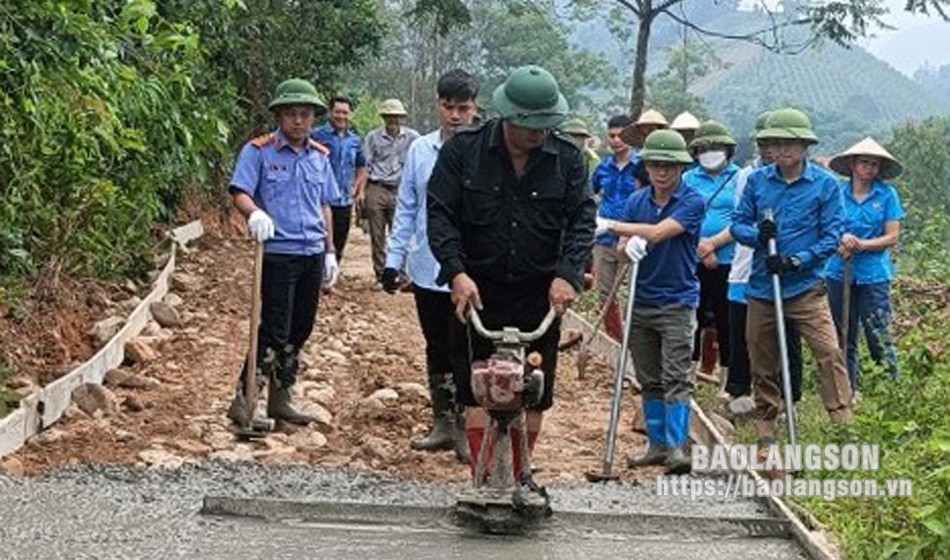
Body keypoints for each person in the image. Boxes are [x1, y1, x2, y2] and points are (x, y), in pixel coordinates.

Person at [427, 65, 596, 482]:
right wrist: (456, 273)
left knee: (534, 389)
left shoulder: (568, 160)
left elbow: (582, 221)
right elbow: (440, 214)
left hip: (539, 291)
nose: (538, 134)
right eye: (528, 126)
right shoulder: (463, 151)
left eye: (545, 126)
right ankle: (483, 477)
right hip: (477, 289)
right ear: (507, 117)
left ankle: (519, 472)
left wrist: (568, 274)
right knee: (476, 386)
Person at [731, 107, 853, 450]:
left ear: (805, 147)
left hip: (805, 288)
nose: (783, 150)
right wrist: (758, 233)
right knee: (761, 356)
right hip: (762, 287)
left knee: (828, 351)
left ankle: (841, 419)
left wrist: (798, 259)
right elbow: (738, 224)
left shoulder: (825, 185)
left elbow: (832, 234)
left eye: (790, 144)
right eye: (776, 143)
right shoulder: (758, 181)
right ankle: (766, 422)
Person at [226, 78, 341, 425]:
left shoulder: (320, 156)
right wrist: (254, 213)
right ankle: (246, 400)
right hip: (277, 252)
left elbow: (325, 205)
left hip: (311, 251)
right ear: (279, 115)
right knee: (274, 328)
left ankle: (282, 397)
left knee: (300, 328)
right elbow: (240, 191)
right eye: (291, 114)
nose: (298, 121)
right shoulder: (259, 151)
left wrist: (330, 251)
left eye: (305, 115)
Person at [381, 69, 480, 461]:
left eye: (463, 108)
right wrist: (394, 260)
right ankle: (442, 421)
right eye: (448, 107)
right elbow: (407, 206)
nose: (455, 115)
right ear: (438, 105)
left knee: (468, 347)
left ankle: (466, 426)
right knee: (436, 344)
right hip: (426, 266)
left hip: (470, 270)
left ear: (475, 108)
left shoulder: (484, 150)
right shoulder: (421, 149)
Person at [598, 129, 705, 475]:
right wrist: (625, 247)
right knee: (648, 377)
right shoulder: (637, 201)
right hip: (641, 301)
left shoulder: (691, 201)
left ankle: (677, 447)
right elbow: (622, 250)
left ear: (681, 169)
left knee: (676, 375)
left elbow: (659, 233)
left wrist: (613, 226)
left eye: (669, 166)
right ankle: (656, 444)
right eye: (656, 165)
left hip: (676, 301)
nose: (662, 172)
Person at [724, 112, 804, 415]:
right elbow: (738, 222)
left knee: (787, 332)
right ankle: (740, 390)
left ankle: (790, 396)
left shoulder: (796, 179)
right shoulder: (749, 176)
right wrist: (756, 235)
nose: (770, 149)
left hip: (784, 270)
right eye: (765, 143)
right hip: (747, 265)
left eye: (776, 143)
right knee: (745, 331)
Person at [825, 137, 904, 390]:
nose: (870, 169)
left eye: (874, 164)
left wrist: (861, 244)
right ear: (852, 164)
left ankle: (891, 388)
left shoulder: (887, 194)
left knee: (877, 332)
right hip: (838, 271)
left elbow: (892, 236)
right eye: (865, 163)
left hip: (873, 274)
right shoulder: (836, 192)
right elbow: (826, 226)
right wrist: (841, 242)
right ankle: (848, 388)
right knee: (843, 333)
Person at [683, 121, 740, 382]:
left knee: (724, 316)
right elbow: (681, 215)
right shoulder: (688, 178)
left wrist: (713, 245)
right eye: (705, 148)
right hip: (692, 256)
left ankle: (728, 376)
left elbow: (742, 218)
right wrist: (701, 248)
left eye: (717, 147)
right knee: (691, 312)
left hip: (728, 258)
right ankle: (689, 372)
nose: (711, 152)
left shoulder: (740, 178)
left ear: (728, 150)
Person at [591, 115, 640, 342]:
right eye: (612, 136)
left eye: (621, 135)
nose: (616, 140)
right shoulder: (603, 167)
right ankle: (616, 342)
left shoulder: (641, 166)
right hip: (605, 238)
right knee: (605, 292)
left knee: (634, 292)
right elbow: (590, 193)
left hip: (633, 237)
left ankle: (635, 340)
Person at [360, 99, 421, 282]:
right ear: (384, 118)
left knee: (401, 233)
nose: (393, 120)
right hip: (377, 187)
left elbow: (418, 164)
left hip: (400, 189)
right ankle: (381, 275)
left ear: (401, 118)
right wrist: (361, 192)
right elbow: (366, 165)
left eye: (396, 117)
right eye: (389, 116)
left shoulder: (413, 138)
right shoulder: (372, 137)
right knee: (377, 235)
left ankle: (401, 275)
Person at [311, 96, 368, 264]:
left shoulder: (355, 140)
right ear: (330, 113)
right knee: (320, 239)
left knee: (340, 240)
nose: (341, 116)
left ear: (350, 115)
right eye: (338, 112)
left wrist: (359, 189)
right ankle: (318, 279)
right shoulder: (316, 135)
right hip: (321, 199)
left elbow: (362, 166)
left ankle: (331, 280)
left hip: (344, 200)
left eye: (345, 113)